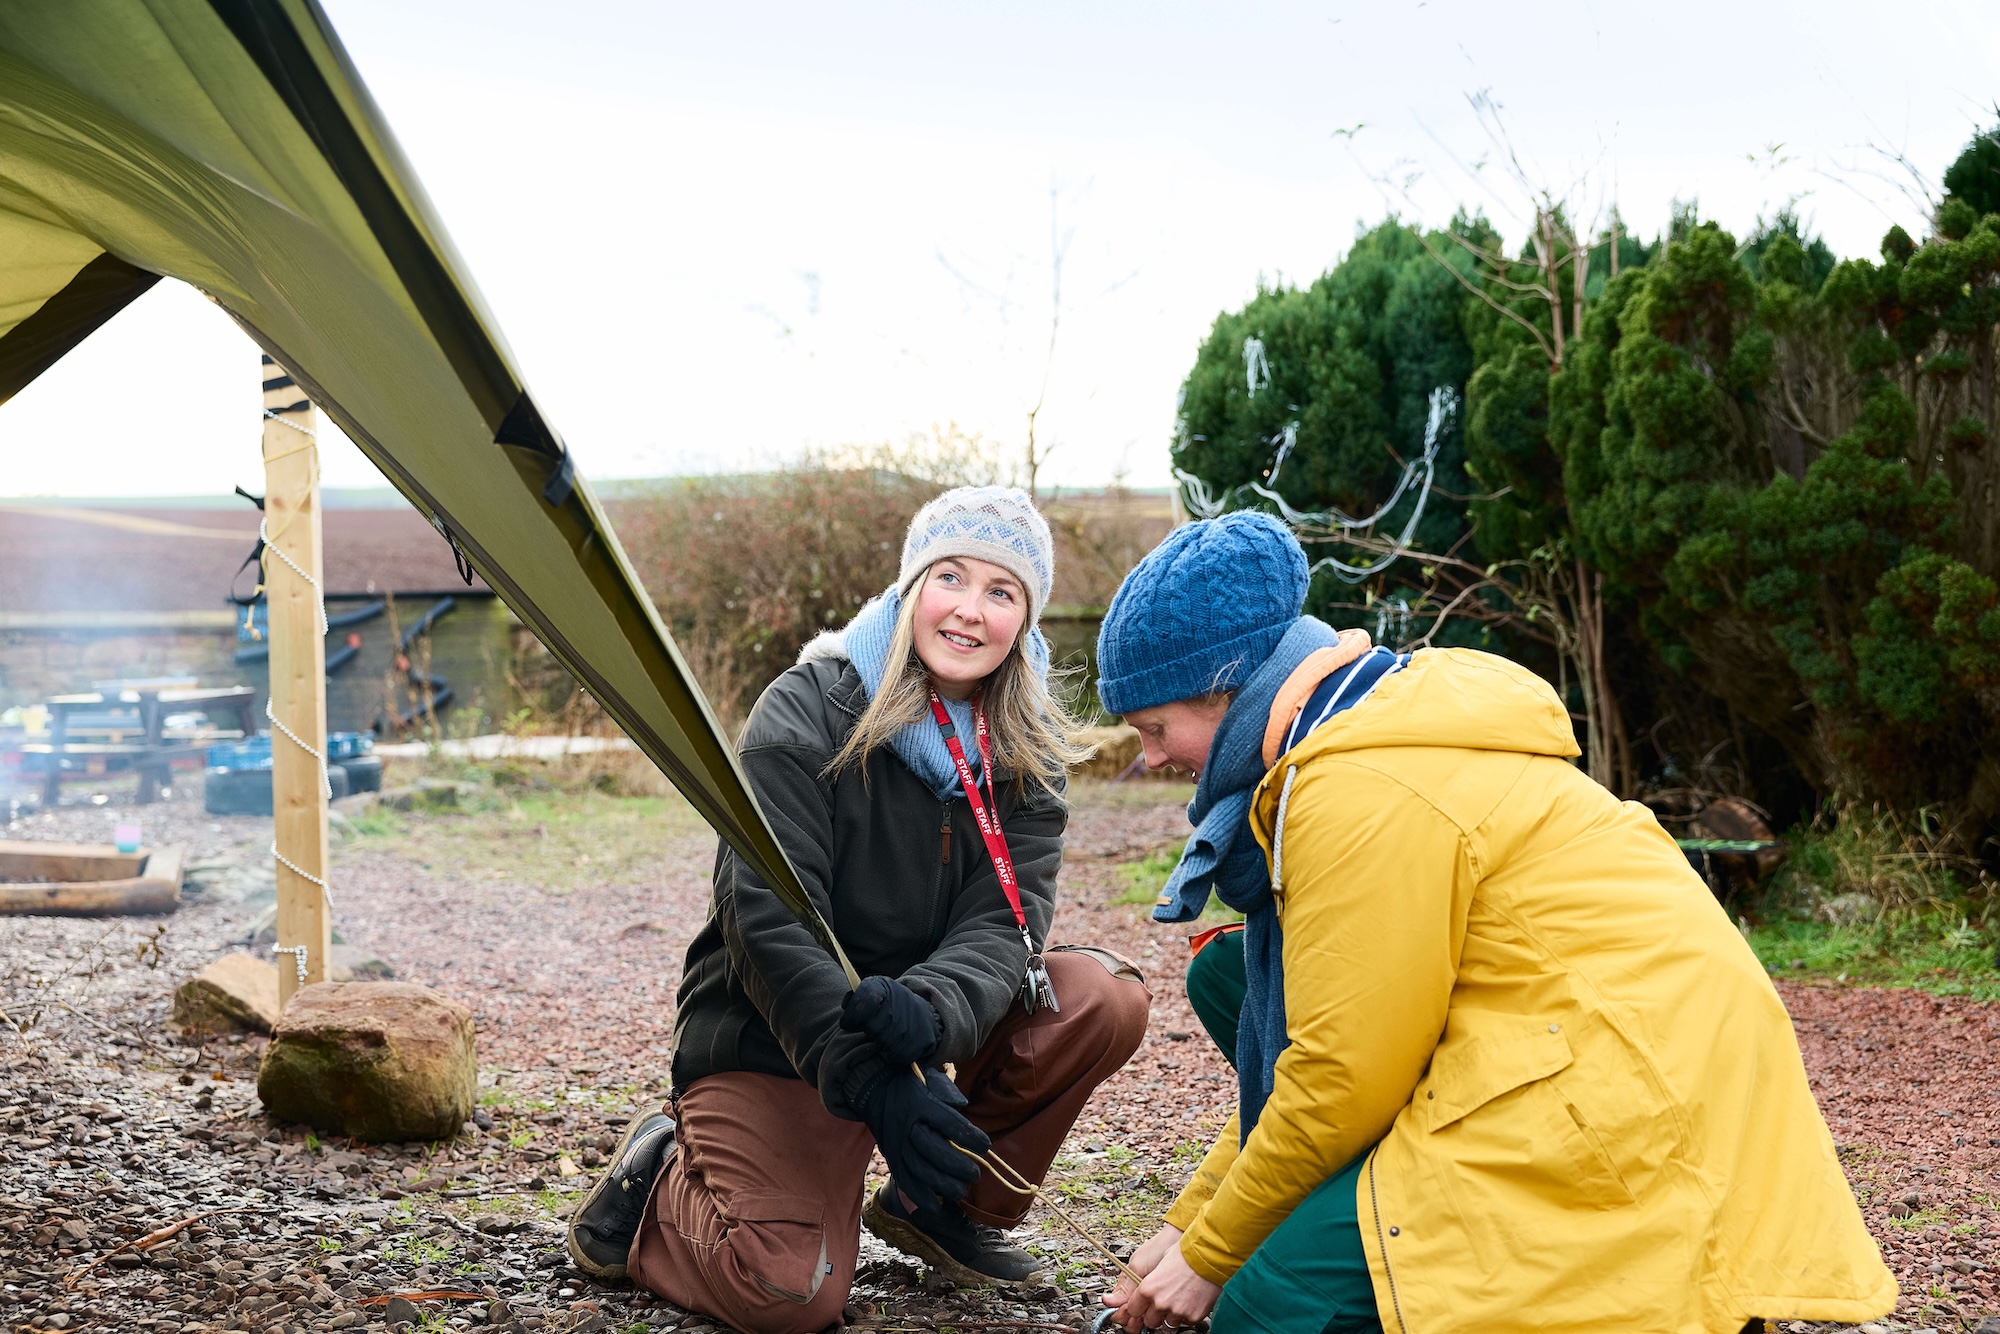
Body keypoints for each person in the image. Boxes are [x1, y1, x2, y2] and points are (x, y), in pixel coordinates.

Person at [1089, 511, 1896, 1334]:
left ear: (1232, 689)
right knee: (1231, 976)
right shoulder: (1359, 716)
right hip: (1607, 1033)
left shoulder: (1356, 789)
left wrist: (1211, 1260)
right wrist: (1189, 1222)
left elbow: (1340, 1075)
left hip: (1623, 1087)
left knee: (1272, 1309)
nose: (1151, 758)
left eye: (1156, 728)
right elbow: (1316, 1047)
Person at [565, 486, 1151, 1334]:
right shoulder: (807, 706)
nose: (970, 611)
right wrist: (871, 1079)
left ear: (1025, 621)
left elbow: (1008, 922)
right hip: (781, 1037)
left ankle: (943, 1204)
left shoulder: (1026, 747)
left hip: (917, 1025)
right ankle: (657, 1183)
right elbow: (768, 914)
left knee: (1103, 997)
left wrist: (931, 1007)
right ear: (912, 584)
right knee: (787, 1293)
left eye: (1002, 592)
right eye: (951, 576)